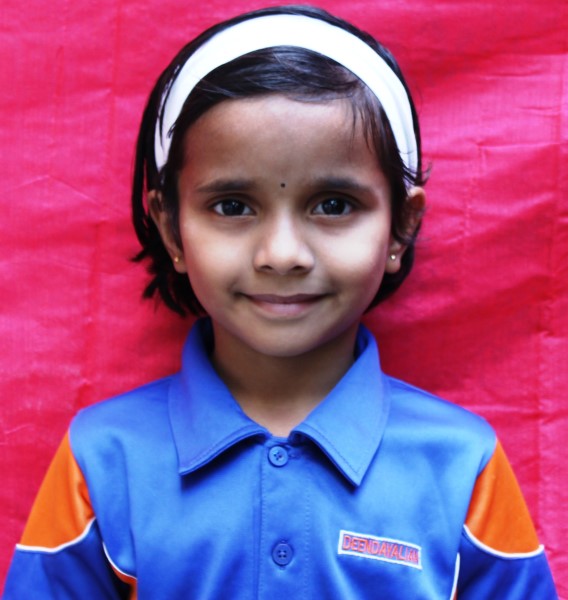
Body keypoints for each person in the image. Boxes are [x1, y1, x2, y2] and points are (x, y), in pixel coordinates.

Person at [3, 5, 558, 598]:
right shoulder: (102, 457)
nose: (283, 254)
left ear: (402, 226)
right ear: (171, 229)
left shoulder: (462, 463)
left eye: (334, 205)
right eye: (233, 206)